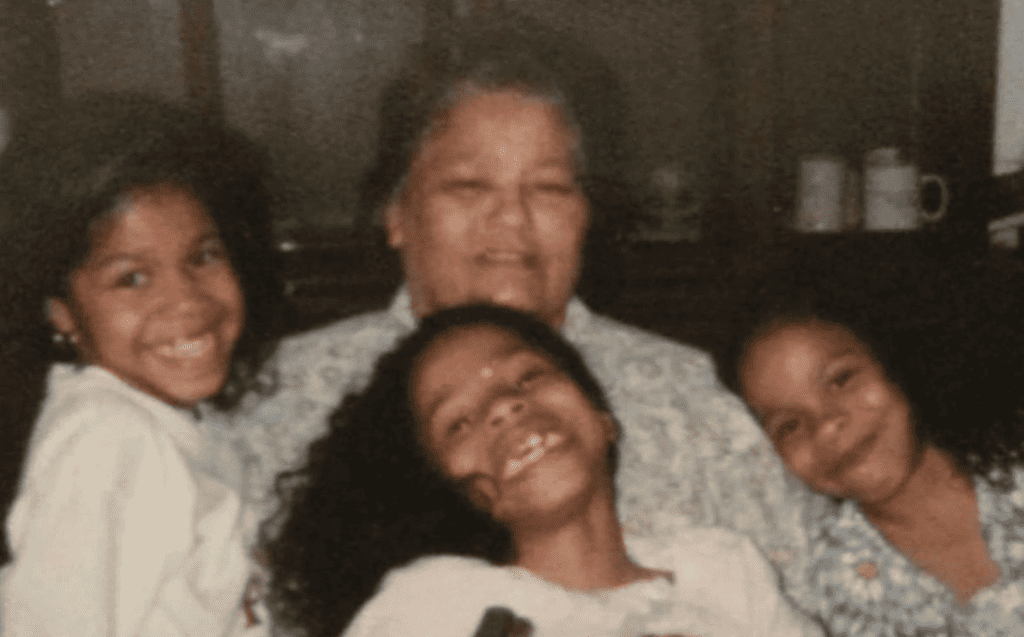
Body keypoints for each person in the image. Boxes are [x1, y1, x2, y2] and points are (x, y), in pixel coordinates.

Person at [234, 21, 810, 586]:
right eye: (468, 186)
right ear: (395, 213)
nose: (512, 219)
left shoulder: (686, 400)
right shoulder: (280, 400)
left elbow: (791, 596)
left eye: (550, 188)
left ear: (587, 215)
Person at [264, 304, 824, 637]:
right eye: (458, 422)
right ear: (455, 490)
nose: (504, 405)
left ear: (603, 417)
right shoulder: (436, 601)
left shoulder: (722, 568)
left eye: (528, 376)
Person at [0, 94, 283, 636]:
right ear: (62, 311)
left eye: (203, 257)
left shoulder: (166, 420)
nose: (186, 301)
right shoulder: (109, 438)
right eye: (132, 278)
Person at [727, 262, 1024, 636]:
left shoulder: (1014, 462)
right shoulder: (842, 575)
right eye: (789, 426)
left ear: (893, 361)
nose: (827, 425)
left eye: (841, 380)